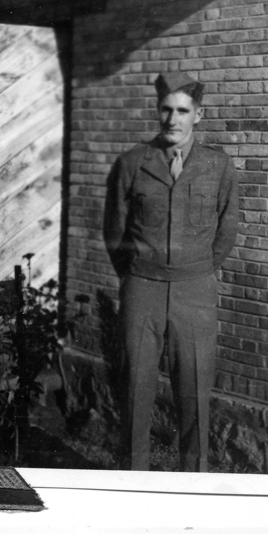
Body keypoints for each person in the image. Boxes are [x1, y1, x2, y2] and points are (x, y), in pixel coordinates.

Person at [103, 71, 239, 472]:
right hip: (142, 288)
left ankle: (192, 487)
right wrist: (136, 273)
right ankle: (133, 485)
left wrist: (198, 269)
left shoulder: (218, 165)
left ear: (199, 114)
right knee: (134, 388)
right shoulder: (132, 164)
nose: (172, 119)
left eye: (183, 111)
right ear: (157, 111)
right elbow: (114, 231)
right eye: (166, 109)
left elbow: (227, 228)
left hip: (195, 290)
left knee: (194, 391)